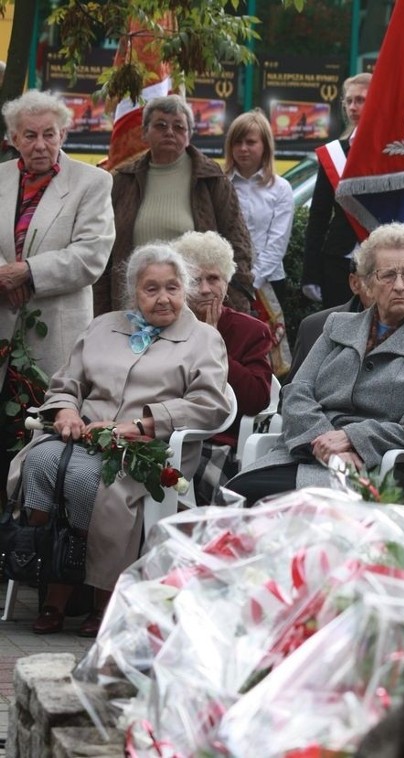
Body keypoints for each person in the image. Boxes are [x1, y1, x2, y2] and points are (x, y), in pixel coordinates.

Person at [7, 242, 232, 636]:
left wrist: (143, 424)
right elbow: (67, 382)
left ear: (185, 289)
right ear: (134, 292)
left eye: (173, 288)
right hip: (81, 436)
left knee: (89, 481)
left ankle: (103, 597)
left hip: (146, 447)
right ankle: (48, 582)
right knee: (40, 463)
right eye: (151, 289)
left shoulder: (203, 339)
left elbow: (210, 402)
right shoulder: (104, 325)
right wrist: (66, 411)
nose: (164, 298)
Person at [226, 222, 404, 505]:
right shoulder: (337, 326)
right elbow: (296, 392)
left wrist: (353, 438)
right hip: (306, 454)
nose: (399, 285)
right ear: (367, 283)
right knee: (235, 495)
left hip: (376, 468)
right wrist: (326, 443)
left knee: (281, 505)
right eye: (387, 275)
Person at [0, 90, 115, 496]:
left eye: (49, 134)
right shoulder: (0, 178)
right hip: (2, 328)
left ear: (63, 133)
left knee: (44, 435)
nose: (40, 145)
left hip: (55, 337)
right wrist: (3, 277)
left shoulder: (93, 182)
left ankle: (29, 537)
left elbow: (91, 255)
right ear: (13, 138)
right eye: (29, 136)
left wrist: (27, 273)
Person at [93, 95, 254, 316]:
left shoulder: (212, 179)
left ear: (189, 135)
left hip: (194, 308)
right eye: (160, 125)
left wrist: (235, 304)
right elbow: (104, 253)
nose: (170, 132)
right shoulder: (123, 180)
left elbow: (238, 246)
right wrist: (101, 313)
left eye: (179, 127)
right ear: (144, 133)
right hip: (134, 308)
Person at [172, 230, 272, 503]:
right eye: (195, 279)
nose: (205, 289)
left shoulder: (250, 330)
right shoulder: (163, 326)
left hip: (216, 444)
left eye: (213, 278)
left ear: (226, 282)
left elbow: (256, 399)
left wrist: (212, 345)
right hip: (162, 437)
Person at [288, 259, 404, 382]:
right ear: (355, 283)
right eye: (382, 276)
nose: (395, 286)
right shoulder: (315, 327)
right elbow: (292, 398)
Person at [224, 109, 294, 376]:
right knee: (233, 348)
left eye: (250, 142)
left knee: (267, 350)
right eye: (237, 142)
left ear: (265, 145)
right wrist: (234, 278)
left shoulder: (280, 188)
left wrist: (251, 280)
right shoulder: (221, 183)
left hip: (267, 282)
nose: (243, 149)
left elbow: (278, 241)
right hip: (227, 281)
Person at [301, 72, 373, 309]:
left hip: (380, 260)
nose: (353, 106)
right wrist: (310, 273)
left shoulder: (392, 152)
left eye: (361, 100)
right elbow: (318, 216)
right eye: (349, 101)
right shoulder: (334, 153)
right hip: (338, 261)